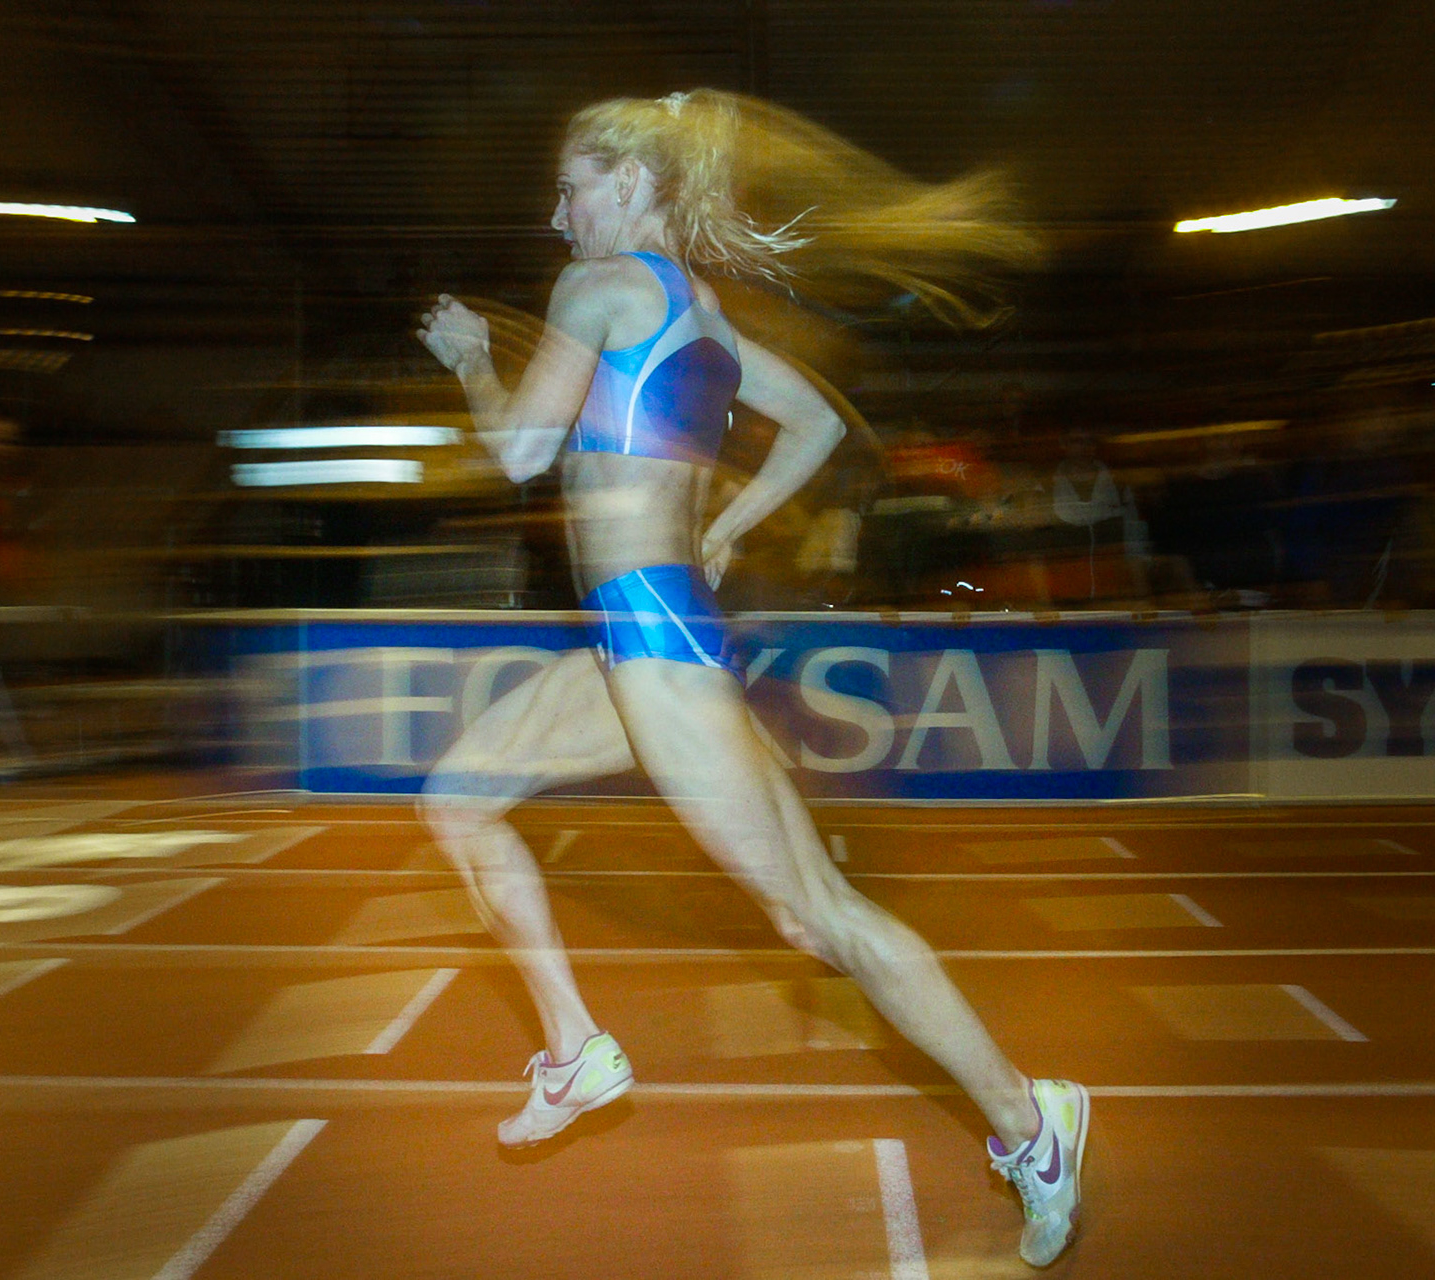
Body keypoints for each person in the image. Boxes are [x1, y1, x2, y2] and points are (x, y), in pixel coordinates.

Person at [414, 89, 1086, 1268]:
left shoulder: (601, 286)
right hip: (652, 636)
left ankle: (1033, 1125)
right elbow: (821, 427)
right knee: (459, 798)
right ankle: (575, 1049)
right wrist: (729, 533)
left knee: (823, 918)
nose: (556, 211)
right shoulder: (706, 319)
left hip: (656, 650)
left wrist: (475, 360)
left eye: (572, 185)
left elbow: (520, 449)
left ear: (631, 185)